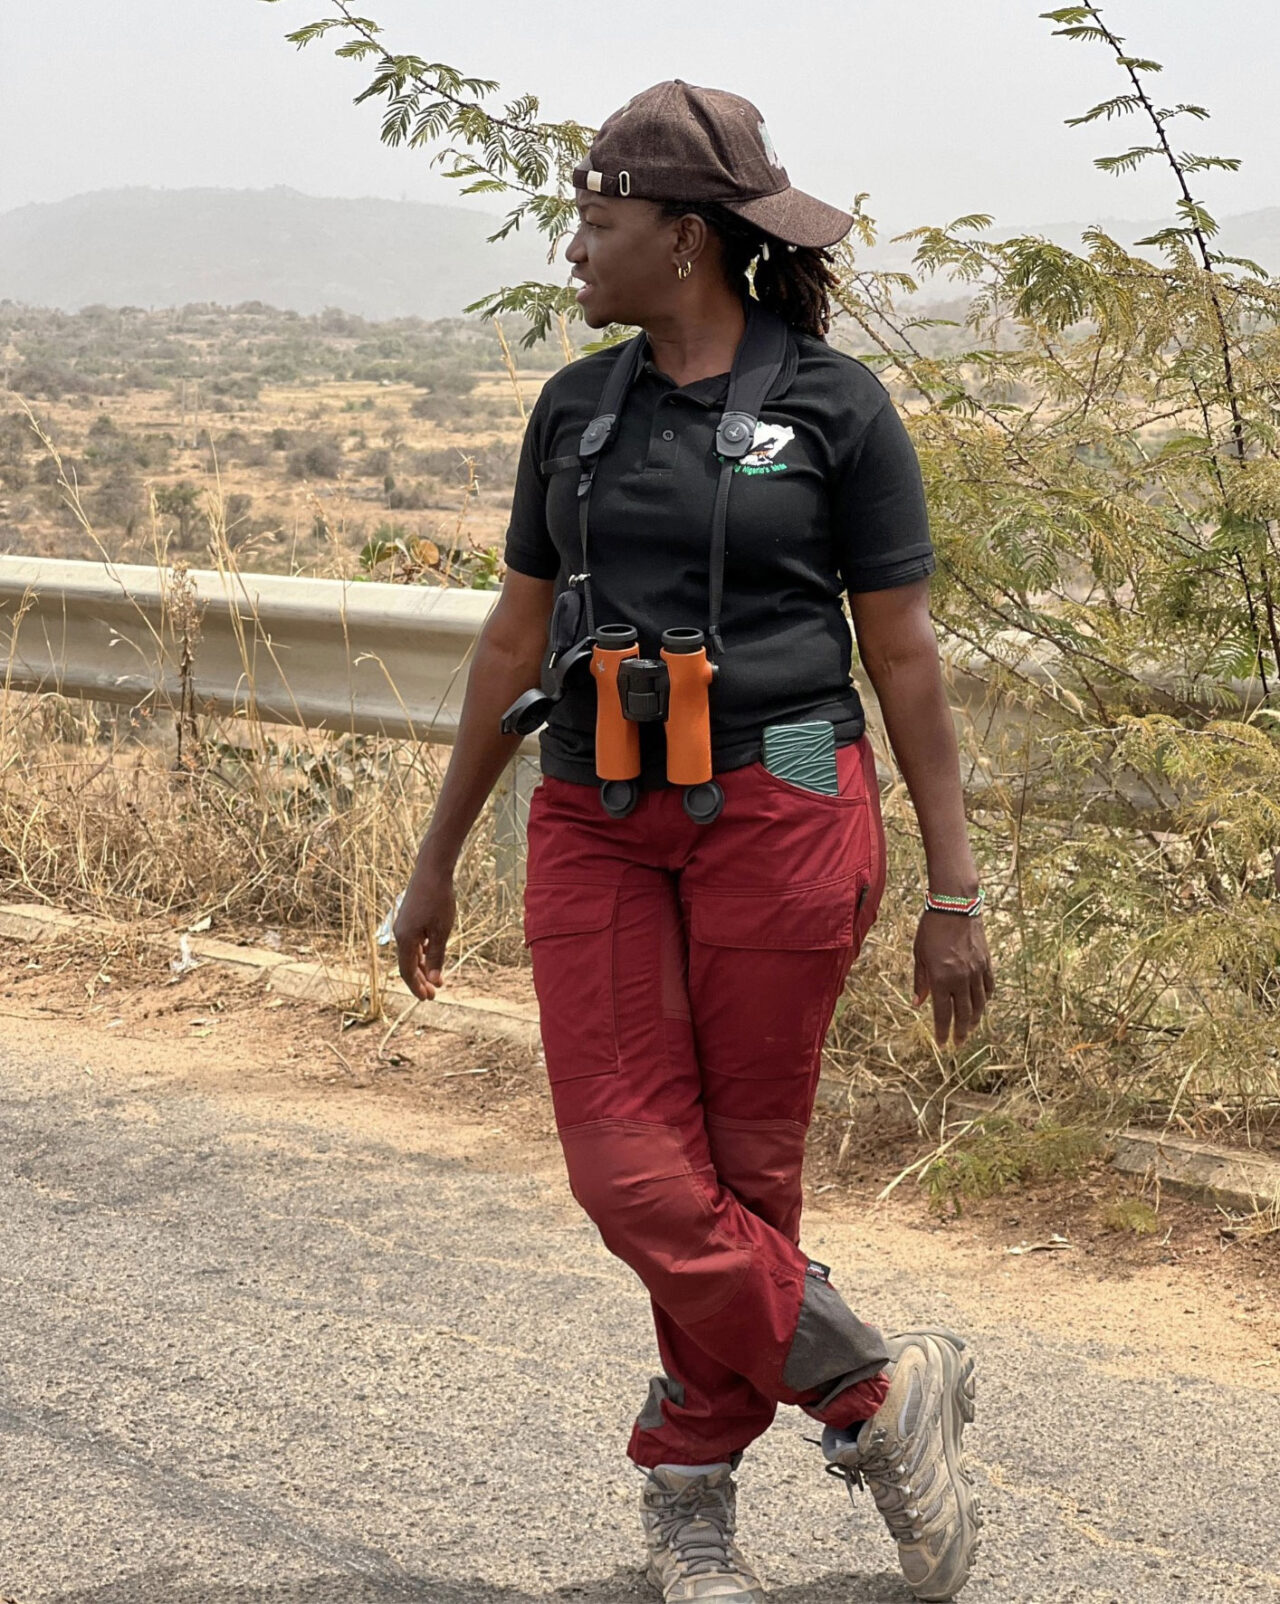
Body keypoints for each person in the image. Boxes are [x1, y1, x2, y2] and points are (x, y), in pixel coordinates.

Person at [395, 80, 993, 1604]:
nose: (571, 249)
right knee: (629, 1173)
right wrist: (439, 850)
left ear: (688, 240)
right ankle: (871, 1389)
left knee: (743, 1171)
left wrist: (953, 885)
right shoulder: (578, 408)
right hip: (595, 812)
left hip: (788, 797)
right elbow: (511, 635)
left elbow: (906, 657)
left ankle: (689, 1493)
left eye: (596, 224)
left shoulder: (838, 412)